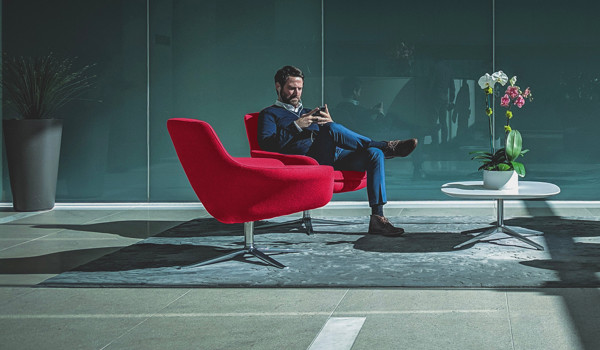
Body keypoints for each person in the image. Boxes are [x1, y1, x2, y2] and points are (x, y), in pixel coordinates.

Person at [258, 65, 417, 236]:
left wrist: (329, 123)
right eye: (291, 88)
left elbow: (333, 135)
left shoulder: (308, 111)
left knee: (373, 154)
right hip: (309, 161)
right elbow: (267, 145)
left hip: (336, 154)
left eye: (300, 88)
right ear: (278, 86)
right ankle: (385, 146)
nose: (297, 93)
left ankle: (377, 218)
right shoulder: (269, 114)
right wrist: (296, 126)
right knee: (333, 130)